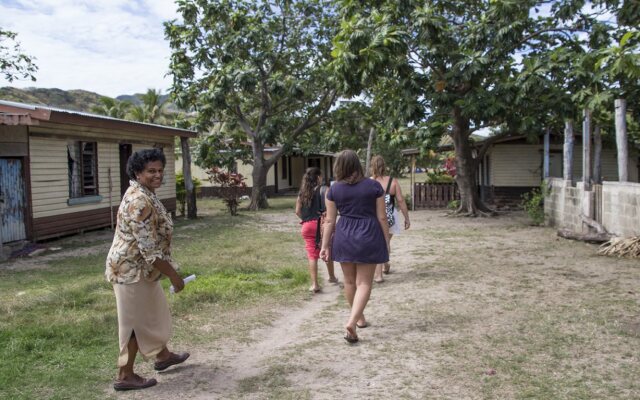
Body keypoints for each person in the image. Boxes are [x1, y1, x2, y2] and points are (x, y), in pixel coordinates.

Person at [105, 148, 190, 391]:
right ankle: (125, 375)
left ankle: (162, 356)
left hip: (143, 270)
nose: (157, 175)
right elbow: (149, 251)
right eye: (151, 171)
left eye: (160, 170)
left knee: (153, 311)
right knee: (133, 322)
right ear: (137, 173)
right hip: (130, 270)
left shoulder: (146, 193)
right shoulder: (139, 200)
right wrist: (174, 276)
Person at [320, 150, 390, 343]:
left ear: (338, 167)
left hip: (344, 236)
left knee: (349, 282)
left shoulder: (333, 190)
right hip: (368, 234)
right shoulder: (374, 186)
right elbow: (382, 217)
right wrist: (385, 241)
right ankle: (354, 320)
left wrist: (325, 246)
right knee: (364, 283)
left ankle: (358, 319)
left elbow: (330, 221)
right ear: (358, 165)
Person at [295, 167, 338, 293]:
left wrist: (307, 219)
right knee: (327, 249)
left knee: (312, 255)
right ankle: (331, 277)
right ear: (318, 177)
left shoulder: (302, 193)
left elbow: (297, 211)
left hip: (307, 226)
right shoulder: (324, 190)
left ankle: (314, 284)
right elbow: (330, 208)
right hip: (321, 224)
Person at [370, 155, 410, 282]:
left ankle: (379, 274)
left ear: (372, 166)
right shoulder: (393, 181)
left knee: (378, 243)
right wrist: (406, 218)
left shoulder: (369, 182)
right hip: (390, 216)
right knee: (385, 242)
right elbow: (400, 200)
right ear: (384, 166)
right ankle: (385, 265)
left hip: (374, 215)